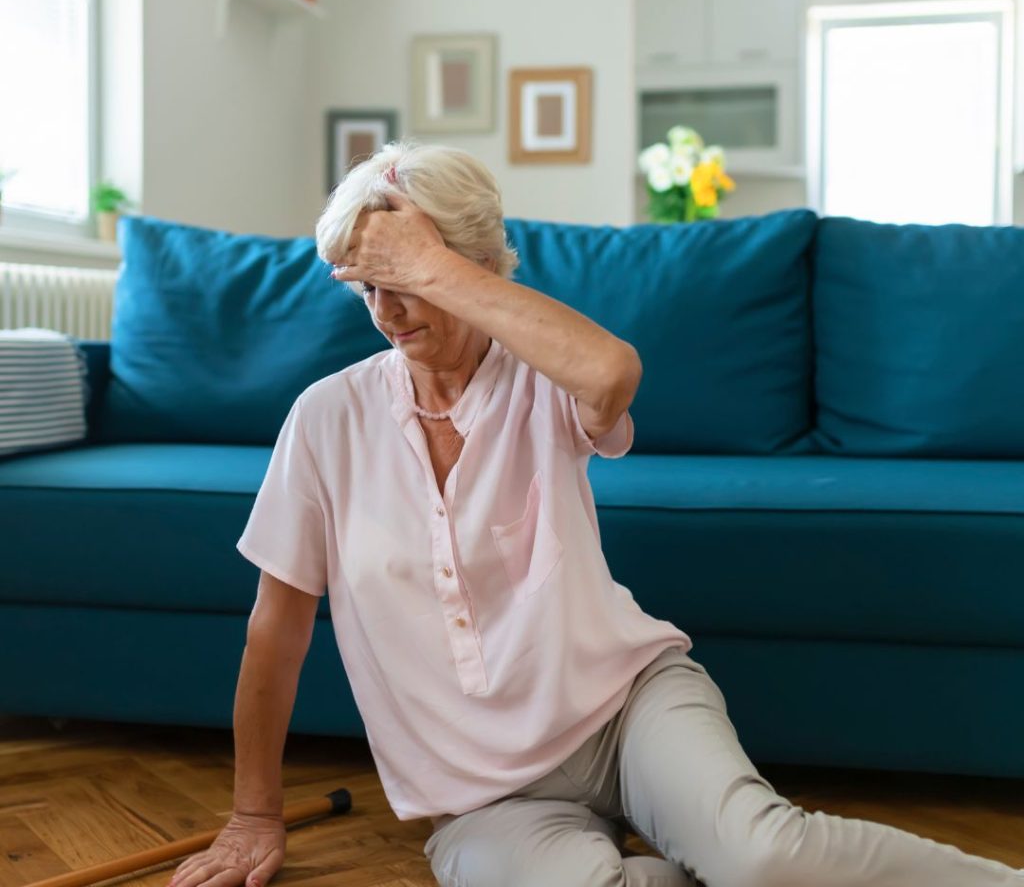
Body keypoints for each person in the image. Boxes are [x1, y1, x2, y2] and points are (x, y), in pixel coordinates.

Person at [167, 142, 1024, 887]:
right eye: (365, 285)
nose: (384, 310)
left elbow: (612, 375)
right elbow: (275, 630)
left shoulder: (540, 375)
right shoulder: (326, 419)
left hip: (626, 711)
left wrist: (433, 269)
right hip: (479, 795)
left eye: (401, 280)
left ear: (468, 270)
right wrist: (253, 812)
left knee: (764, 859)